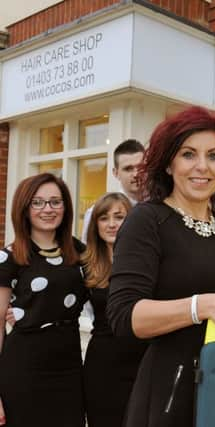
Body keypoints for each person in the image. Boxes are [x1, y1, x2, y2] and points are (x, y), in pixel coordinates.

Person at [106, 106, 215, 427]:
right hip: (171, 393)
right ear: (169, 164)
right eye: (189, 154)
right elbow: (125, 316)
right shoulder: (147, 221)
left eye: (214, 156)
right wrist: (203, 305)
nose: (202, 166)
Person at [0, 173, 87, 427]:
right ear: (24, 209)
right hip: (24, 368)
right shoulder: (9, 258)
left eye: (55, 202)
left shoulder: (80, 252)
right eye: (37, 203)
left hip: (69, 367)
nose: (47, 209)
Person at [82, 192, 147, 427]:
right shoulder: (85, 264)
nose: (111, 224)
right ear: (95, 224)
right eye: (104, 218)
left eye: (119, 217)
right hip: (103, 364)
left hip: (143, 359)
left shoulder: (147, 263)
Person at [81, 139, 145, 242]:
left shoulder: (161, 206)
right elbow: (89, 251)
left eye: (141, 168)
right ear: (116, 173)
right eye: (128, 169)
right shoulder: (96, 212)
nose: (136, 174)